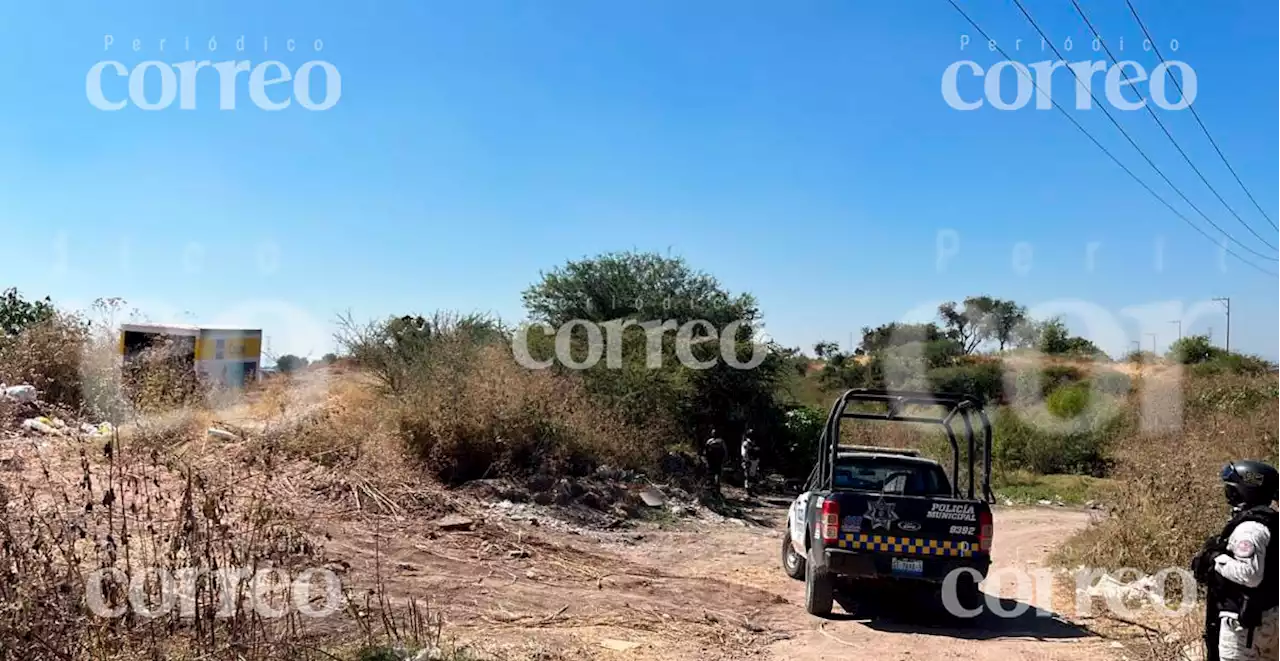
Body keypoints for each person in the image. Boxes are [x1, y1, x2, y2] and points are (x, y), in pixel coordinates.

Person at [1192, 460, 1280, 661]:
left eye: (1231, 489)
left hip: (1246, 626)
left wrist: (1216, 559)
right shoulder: (1273, 523)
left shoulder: (1250, 528)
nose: (1228, 494)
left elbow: (1250, 575)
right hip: (1268, 620)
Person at [703, 429, 727, 494]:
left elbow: (705, 452)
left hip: (711, 462)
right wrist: (724, 460)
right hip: (718, 462)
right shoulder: (721, 441)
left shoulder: (709, 441)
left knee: (711, 475)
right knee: (718, 476)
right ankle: (717, 490)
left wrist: (706, 460)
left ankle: (711, 490)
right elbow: (725, 451)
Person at [741, 428, 760, 496]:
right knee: (748, 476)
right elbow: (744, 453)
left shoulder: (752, 443)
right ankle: (748, 491)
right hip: (749, 461)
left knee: (752, 476)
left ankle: (750, 490)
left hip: (753, 461)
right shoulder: (746, 443)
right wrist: (746, 460)